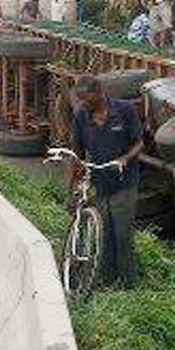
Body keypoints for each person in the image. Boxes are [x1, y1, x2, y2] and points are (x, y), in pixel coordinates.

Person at [70, 75, 144, 287]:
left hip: (124, 184)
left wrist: (124, 159)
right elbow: (77, 156)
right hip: (100, 184)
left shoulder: (125, 111)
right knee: (104, 234)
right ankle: (107, 280)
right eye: (81, 100)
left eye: (88, 99)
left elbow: (139, 144)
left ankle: (129, 284)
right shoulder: (81, 116)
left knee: (122, 234)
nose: (85, 104)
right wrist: (72, 191)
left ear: (100, 92)